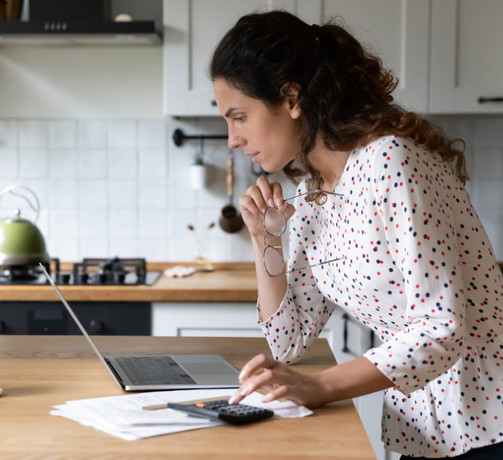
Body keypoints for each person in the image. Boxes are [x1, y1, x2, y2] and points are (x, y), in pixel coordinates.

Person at [209, 10, 503, 460]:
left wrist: (320, 386)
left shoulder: (390, 162)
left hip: (486, 420)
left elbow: (443, 327)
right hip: (428, 430)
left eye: (239, 116)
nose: (232, 138)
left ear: (291, 98)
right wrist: (265, 239)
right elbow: (287, 343)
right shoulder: (313, 196)